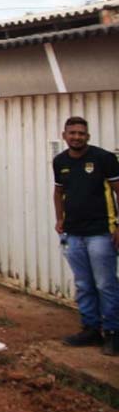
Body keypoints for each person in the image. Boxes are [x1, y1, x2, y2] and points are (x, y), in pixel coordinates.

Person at [53, 116, 119, 355]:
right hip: (73, 234)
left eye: (81, 133)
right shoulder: (60, 161)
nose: (77, 137)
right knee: (83, 284)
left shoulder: (104, 159)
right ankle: (91, 328)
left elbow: (117, 191)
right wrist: (60, 220)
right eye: (72, 133)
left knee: (106, 284)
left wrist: (118, 225)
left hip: (101, 233)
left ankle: (112, 332)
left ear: (87, 136)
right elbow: (58, 192)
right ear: (65, 136)